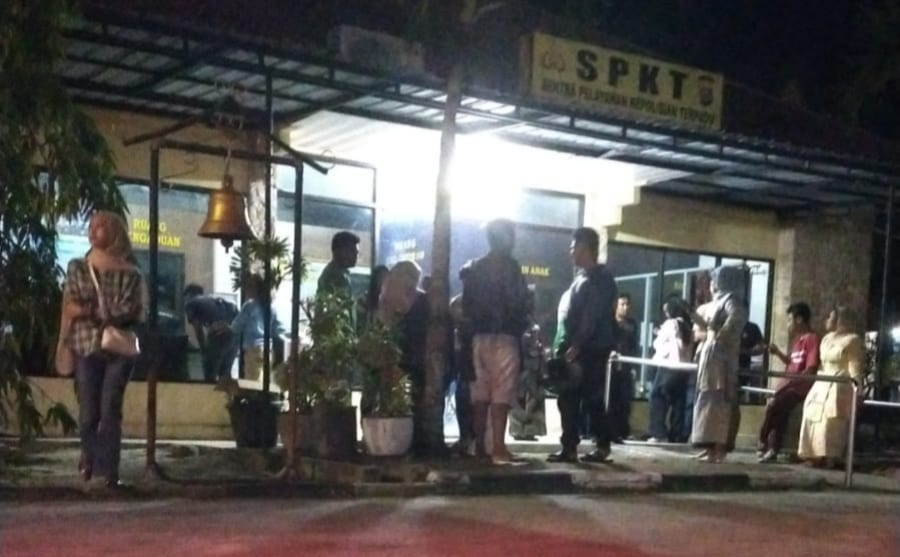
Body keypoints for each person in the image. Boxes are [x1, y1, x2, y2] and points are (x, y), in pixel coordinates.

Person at [62, 211, 145, 488]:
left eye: (100, 226)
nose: (93, 231)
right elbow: (72, 302)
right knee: (88, 411)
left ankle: (108, 471)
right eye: (91, 226)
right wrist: (99, 312)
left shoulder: (131, 273)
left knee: (110, 407)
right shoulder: (78, 267)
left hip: (119, 348)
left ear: (115, 232)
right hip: (86, 345)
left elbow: (131, 308)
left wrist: (92, 311)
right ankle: (89, 456)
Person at [463, 219, 531, 464]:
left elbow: (467, 306)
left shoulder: (475, 267)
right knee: (501, 395)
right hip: (505, 337)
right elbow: (520, 302)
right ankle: (499, 448)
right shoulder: (511, 267)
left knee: (480, 395)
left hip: (479, 338)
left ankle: (481, 447)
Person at [548, 227, 618, 464]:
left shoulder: (599, 279)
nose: (570, 252)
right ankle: (573, 446)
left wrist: (576, 346)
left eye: (573, 247)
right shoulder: (583, 278)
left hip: (590, 349)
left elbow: (591, 315)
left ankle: (596, 445)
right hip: (582, 347)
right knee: (571, 397)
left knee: (587, 397)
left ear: (585, 248)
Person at [691, 266, 747, 463]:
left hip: (723, 361)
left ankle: (719, 448)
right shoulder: (712, 304)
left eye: (716, 280)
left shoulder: (732, 302)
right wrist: (709, 332)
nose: (713, 284)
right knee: (706, 403)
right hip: (708, 359)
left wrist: (718, 333)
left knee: (721, 404)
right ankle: (708, 446)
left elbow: (734, 323)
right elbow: (699, 332)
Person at [797, 305, 865, 468]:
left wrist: (858, 391)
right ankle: (813, 454)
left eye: (831, 317)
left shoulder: (853, 340)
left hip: (839, 385)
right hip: (822, 383)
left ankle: (830, 457)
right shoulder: (826, 339)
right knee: (812, 416)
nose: (827, 320)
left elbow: (855, 368)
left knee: (831, 423)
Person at [378, 260, 431, 455]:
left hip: (410, 359)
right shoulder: (417, 301)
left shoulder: (416, 301)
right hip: (407, 359)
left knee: (407, 402)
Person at [757, 302, 820, 463]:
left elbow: (810, 368)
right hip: (787, 385)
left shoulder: (812, 339)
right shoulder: (798, 340)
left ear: (799, 319)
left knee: (776, 407)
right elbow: (792, 362)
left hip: (798, 388)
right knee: (777, 411)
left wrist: (794, 381)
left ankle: (763, 440)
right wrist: (777, 353)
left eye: (790, 320)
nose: (788, 324)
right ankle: (771, 448)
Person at [648, 300, 693, 443]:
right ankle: (677, 434)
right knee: (679, 402)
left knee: (657, 397)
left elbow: (659, 344)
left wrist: (658, 334)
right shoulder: (687, 326)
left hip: (668, 366)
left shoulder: (671, 324)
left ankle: (658, 433)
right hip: (684, 369)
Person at [230, 273, 288, 382]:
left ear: (254, 289)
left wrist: (226, 328)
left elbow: (236, 326)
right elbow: (279, 329)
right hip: (268, 349)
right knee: (265, 381)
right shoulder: (270, 307)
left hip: (253, 349)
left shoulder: (249, 306)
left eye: (248, 286)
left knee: (253, 383)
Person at [509, 289, 547, 442]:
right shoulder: (518, 322)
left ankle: (530, 429)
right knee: (520, 398)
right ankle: (519, 429)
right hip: (522, 365)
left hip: (533, 366)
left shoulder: (531, 320)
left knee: (533, 398)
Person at [183, 284, 239, 384]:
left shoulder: (191, 303)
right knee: (225, 375)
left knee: (210, 373)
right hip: (234, 335)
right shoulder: (212, 299)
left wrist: (203, 349)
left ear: (189, 295)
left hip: (218, 334)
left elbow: (198, 328)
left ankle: (209, 392)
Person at [448, 262, 475, 454]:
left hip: (474, 354)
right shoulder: (457, 303)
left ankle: (472, 438)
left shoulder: (479, 304)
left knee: (471, 398)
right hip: (461, 355)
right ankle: (465, 436)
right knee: (462, 397)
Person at [611, 293, 638, 442]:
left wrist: (633, 367)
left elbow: (634, 347)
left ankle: (622, 431)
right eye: (622, 304)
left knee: (624, 400)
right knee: (611, 399)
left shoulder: (632, 325)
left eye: (627, 304)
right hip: (611, 367)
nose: (625, 308)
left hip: (626, 366)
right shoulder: (610, 323)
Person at [318, 231, 359, 299]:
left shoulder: (341, 273)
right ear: (337, 251)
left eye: (357, 253)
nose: (356, 256)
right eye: (351, 251)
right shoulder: (334, 276)